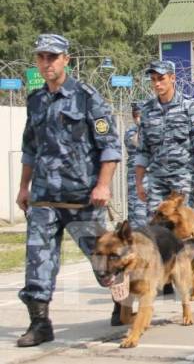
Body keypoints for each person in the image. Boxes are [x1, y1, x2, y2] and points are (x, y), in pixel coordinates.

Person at [15, 34, 121, 347]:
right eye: (41, 58)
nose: (46, 63)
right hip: (44, 197)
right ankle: (39, 323)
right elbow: (29, 149)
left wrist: (103, 184)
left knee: (104, 262)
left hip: (82, 199)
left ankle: (123, 301)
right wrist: (23, 187)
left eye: (53, 57)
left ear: (66, 60)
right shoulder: (35, 100)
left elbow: (110, 147)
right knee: (38, 260)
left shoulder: (87, 97)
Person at [135, 60, 194, 217]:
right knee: (156, 226)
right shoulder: (148, 110)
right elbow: (142, 150)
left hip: (182, 178)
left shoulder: (189, 106)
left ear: (172, 78)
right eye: (153, 79)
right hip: (156, 180)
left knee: (180, 226)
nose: (157, 84)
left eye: (161, 78)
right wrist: (139, 183)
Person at [123, 102, 147, 228]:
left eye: (140, 114)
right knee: (136, 214)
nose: (137, 117)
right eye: (135, 115)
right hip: (135, 179)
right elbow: (136, 143)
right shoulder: (131, 132)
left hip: (151, 178)